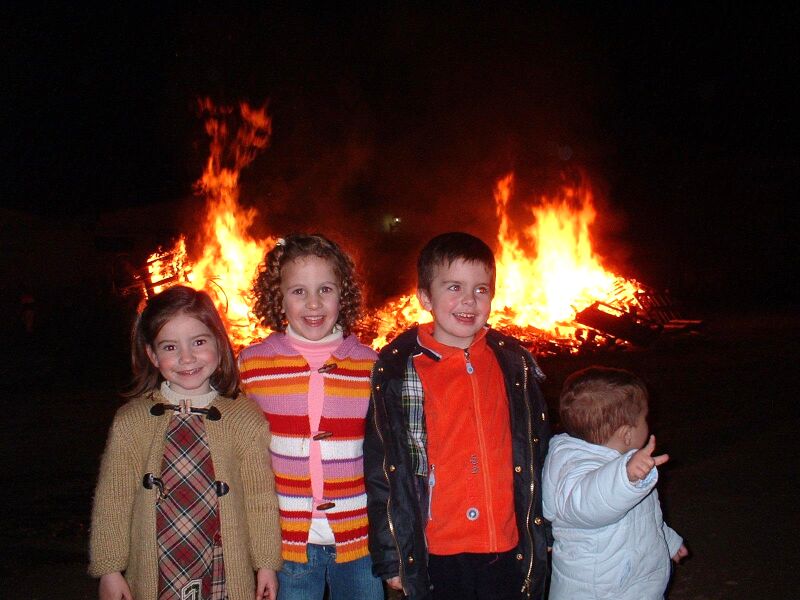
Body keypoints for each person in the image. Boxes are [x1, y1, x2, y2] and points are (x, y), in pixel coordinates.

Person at [365, 231, 552, 600]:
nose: (469, 300)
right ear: (425, 297)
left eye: (481, 289)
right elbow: (384, 468)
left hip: (507, 544)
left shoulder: (512, 364)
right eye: (454, 287)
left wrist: (541, 530)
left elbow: (536, 455)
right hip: (438, 550)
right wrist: (392, 555)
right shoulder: (401, 371)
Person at [89, 285, 282, 600]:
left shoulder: (244, 419)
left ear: (219, 343)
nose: (187, 357)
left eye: (199, 342)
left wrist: (265, 565)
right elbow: (113, 500)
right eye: (170, 347)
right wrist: (109, 570)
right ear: (152, 355)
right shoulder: (131, 422)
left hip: (220, 566)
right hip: (158, 567)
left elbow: (259, 499)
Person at [238, 234, 383, 600]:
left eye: (325, 289)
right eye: (299, 291)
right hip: (287, 543)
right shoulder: (252, 365)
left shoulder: (369, 365)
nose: (314, 303)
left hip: (359, 539)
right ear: (279, 296)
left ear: (343, 294)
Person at [542, 366, 689, 600]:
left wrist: (667, 541)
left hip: (630, 584)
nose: (649, 423)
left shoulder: (625, 466)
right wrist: (624, 477)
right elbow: (587, 503)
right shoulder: (574, 465)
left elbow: (643, 518)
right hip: (597, 592)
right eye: (644, 418)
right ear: (627, 434)